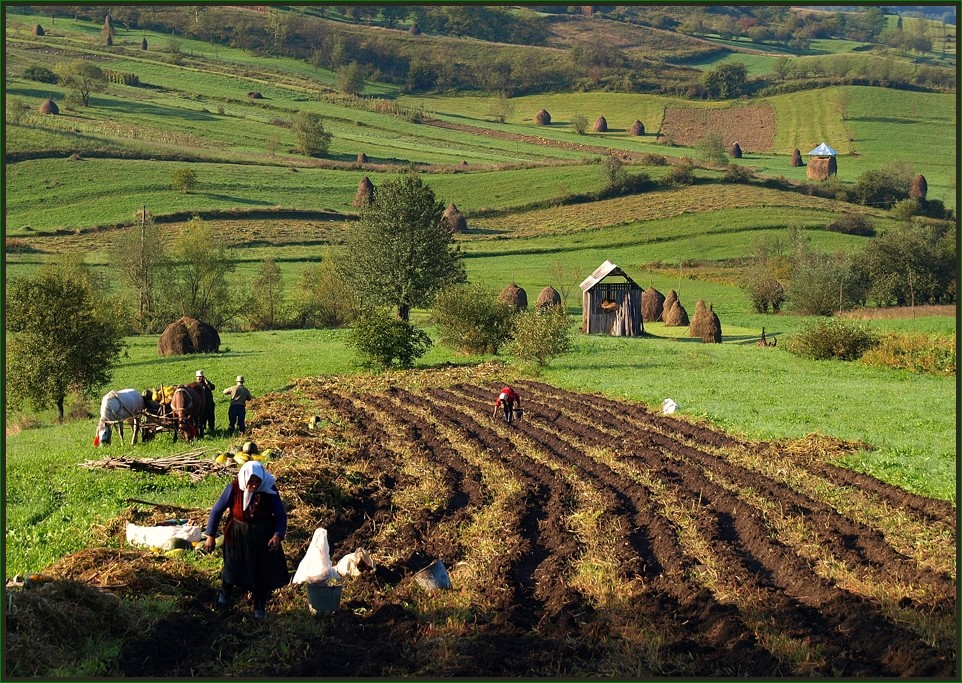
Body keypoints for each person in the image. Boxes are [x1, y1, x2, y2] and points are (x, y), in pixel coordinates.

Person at [205, 460, 288, 620]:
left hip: (262, 537)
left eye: (257, 482)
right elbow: (217, 510)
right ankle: (225, 596)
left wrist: (277, 535)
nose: (254, 485)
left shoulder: (268, 488)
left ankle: (259, 605)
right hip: (237, 535)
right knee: (232, 566)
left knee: (261, 571)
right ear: (245, 478)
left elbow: (280, 514)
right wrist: (210, 536)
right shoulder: (235, 488)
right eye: (251, 481)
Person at [194, 370, 216, 435]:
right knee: (201, 419)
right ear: (196, 377)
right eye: (199, 377)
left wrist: (207, 383)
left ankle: (211, 429)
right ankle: (201, 430)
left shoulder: (206, 384)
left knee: (211, 417)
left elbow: (213, 388)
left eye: (201, 377)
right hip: (201, 405)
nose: (200, 378)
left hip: (209, 404)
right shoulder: (195, 385)